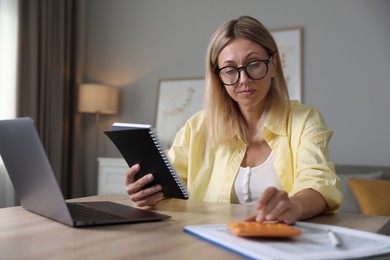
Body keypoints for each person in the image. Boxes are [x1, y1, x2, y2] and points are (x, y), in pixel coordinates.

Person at [125, 16, 343, 224]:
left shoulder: (304, 120)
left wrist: (294, 205)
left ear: (273, 64)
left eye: (254, 64)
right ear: (218, 76)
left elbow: (319, 182)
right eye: (230, 70)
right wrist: (146, 192)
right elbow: (167, 188)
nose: (244, 80)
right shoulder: (197, 127)